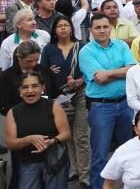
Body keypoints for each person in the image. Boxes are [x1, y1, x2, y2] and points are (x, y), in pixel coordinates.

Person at [79, 13, 137, 188]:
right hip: (101, 107)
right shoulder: (86, 52)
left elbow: (133, 69)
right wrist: (121, 71)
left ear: (111, 27)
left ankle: (130, 185)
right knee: (100, 154)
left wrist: (109, 73)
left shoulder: (121, 45)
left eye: (105, 27)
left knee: (128, 151)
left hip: (126, 104)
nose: (102, 30)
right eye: (98, 27)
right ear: (91, 30)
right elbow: (99, 78)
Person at [40, 16, 90, 189]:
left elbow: (89, 71)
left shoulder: (81, 47)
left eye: (66, 25)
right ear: (54, 30)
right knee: (66, 136)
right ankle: (73, 170)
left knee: (81, 135)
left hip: (79, 94)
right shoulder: (48, 49)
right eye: (59, 26)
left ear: (71, 28)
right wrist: (48, 71)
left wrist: (80, 81)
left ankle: (85, 175)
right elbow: (42, 74)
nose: (62, 28)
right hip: (58, 98)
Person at [4, 71, 71, 189]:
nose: (30, 90)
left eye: (35, 86)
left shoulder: (54, 106)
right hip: (28, 163)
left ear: (42, 88)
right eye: (25, 87)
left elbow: (66, 134)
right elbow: (11, 143)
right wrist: (28, 139)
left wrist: (52, 141)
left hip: (54, 161)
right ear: (20, 91)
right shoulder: (13, 112)